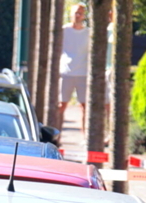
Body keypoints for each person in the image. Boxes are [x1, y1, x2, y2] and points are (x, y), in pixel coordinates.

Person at [59, 3, 90, 133]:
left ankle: (85, 137)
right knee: (61, 105)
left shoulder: (88, 33)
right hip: (66, 72)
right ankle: (57, 135)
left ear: (84, 16)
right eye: (76, 12)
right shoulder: (63, 31)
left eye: (80, 13)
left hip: (83, 73)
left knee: (84, 107)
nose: (78, 15)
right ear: (70, 14)